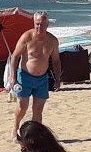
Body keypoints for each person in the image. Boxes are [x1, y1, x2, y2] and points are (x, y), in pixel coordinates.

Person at [9, 11, 60, 139]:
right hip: (25, 76)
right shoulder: (26, 37)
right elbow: (15, 56)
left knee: (38, 110)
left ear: (47, 24)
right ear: (34, 23)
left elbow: (56, 61)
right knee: (23, 106)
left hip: (42, 79)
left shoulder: (52, 41)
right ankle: (16, 126)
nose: (39, 27)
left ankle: (35, 135)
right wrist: (12, 77)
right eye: (37, 24)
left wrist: (58, 79)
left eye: (42, 24)